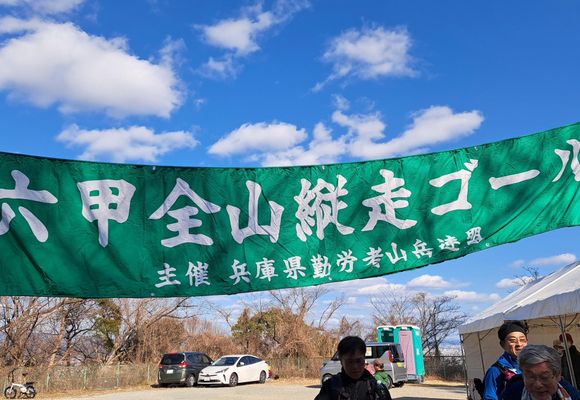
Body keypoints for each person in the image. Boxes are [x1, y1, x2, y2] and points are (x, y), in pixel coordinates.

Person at [315, 336, 392, 400]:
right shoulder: (330, 387)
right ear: (341, 361)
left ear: (364, 359)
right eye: (350, 361)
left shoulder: (377, 389)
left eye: (359, 361)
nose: (355, 366)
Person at [502, 345, 580, 400]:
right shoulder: (513, 392)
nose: (538, 385)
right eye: (530, 377)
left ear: (558, 375)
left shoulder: (572, 395)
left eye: (544, 377)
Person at [483, 321, 529, 400]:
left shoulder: (533, 365)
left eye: (522, 340)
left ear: (527, 342)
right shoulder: (495, 371)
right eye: (512, 340)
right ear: (502, 344)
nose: (519, 344)